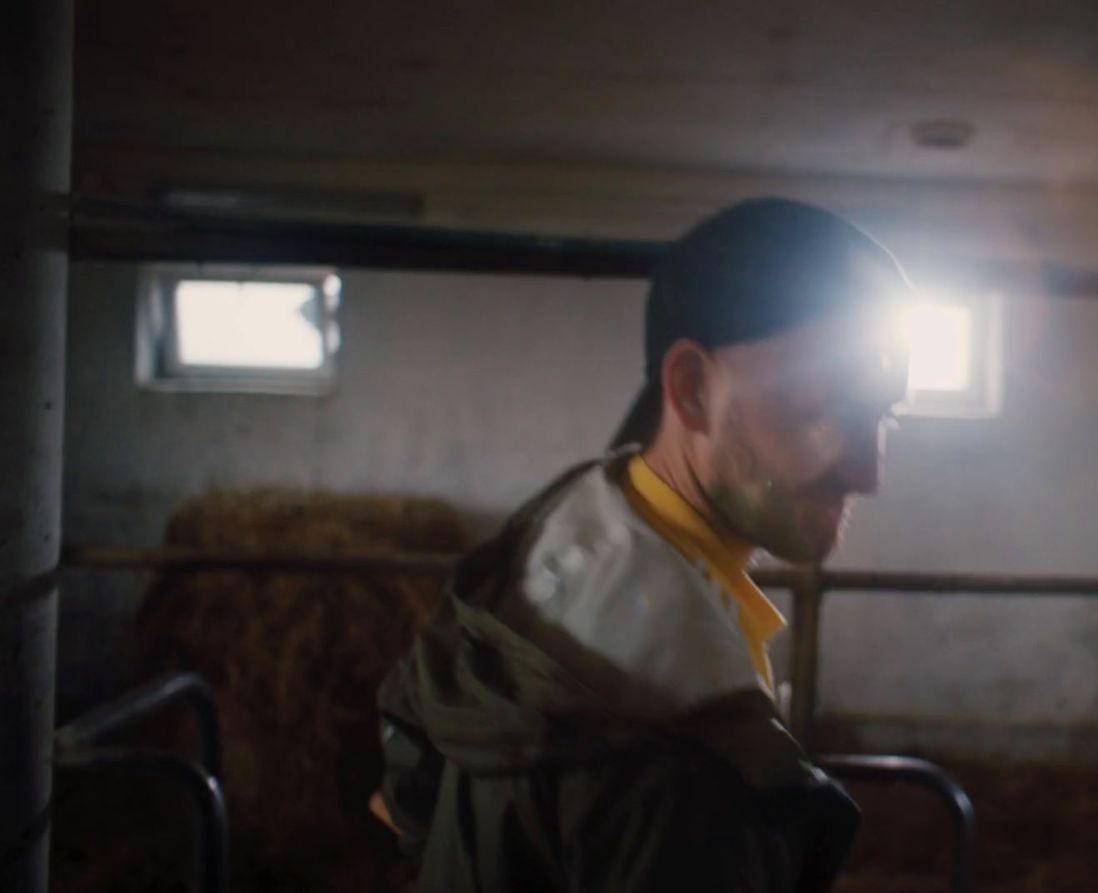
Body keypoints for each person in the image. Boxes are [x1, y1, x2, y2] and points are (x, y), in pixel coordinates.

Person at [376, 197, 913, 892]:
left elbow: (409, 760)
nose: (870, 473)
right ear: (691, 389)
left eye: (884, 417)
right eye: (829, 409)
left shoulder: (561, 525)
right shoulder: (687, 749)